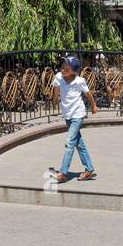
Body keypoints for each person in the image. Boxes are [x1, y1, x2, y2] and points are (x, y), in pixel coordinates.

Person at [51, 55, 98, 183]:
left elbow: (88, 94)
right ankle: (89, 169)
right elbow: (55, 91)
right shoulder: (58, 77)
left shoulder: (79, 81)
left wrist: (93, 106)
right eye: (62, 66)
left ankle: (63, 173)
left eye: (67, 67)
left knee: (69, 142)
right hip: (68, 115)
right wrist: (55, 101)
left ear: (73, 70)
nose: (63, 69)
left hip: (78, 114)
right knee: (79, 143)